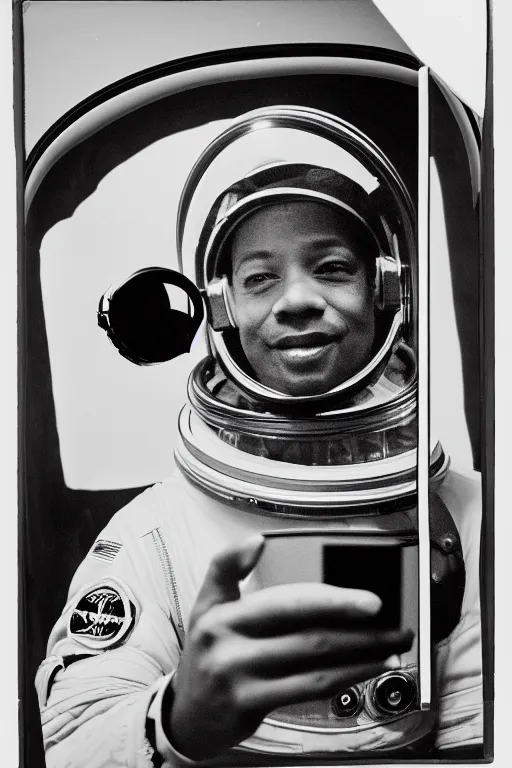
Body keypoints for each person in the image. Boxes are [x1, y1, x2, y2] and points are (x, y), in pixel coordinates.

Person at [36, 110, 483, 767]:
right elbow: (71, 743)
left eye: (331, 268)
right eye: (259, 278)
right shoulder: (153, 538)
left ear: (386, 292)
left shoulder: (473, 517)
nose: (296, 299)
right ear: (220, 310)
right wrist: (177, 719)